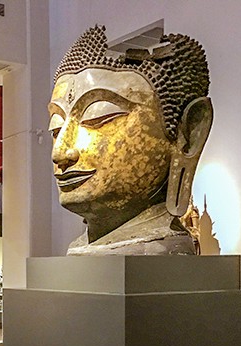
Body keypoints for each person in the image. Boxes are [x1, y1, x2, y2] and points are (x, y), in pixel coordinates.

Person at [49, 25, 213, 255]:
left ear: (188, 134)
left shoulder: (157, 254)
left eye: (98, 116)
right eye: (55, 127)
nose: (60, 151)